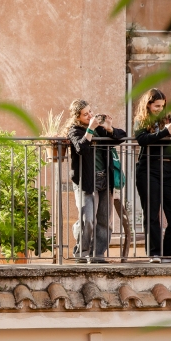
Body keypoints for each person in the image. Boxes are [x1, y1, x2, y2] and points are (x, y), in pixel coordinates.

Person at [133, 88, 171, 263]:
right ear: (148, 105)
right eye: (156, 106)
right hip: (148, 169)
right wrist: (165, 132)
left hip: (169, 170)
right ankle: (155, 253)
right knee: (152, 213)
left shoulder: (170, 119)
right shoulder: (140, 120)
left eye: (162, 106)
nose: (160, 109)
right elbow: (142, 139)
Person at [63, 99, 126, 263]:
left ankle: (98, 254)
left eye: (90, 111)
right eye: (85, 114)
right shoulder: (75, 130)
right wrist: (90, 129)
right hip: (86, 180)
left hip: (105, 178)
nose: (90, 115)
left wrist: (110, 128)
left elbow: (121, 137)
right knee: (88, 220)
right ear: (77, 117)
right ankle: (82, 252)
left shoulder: (99, 129)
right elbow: (81, 148)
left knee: (105, 220)